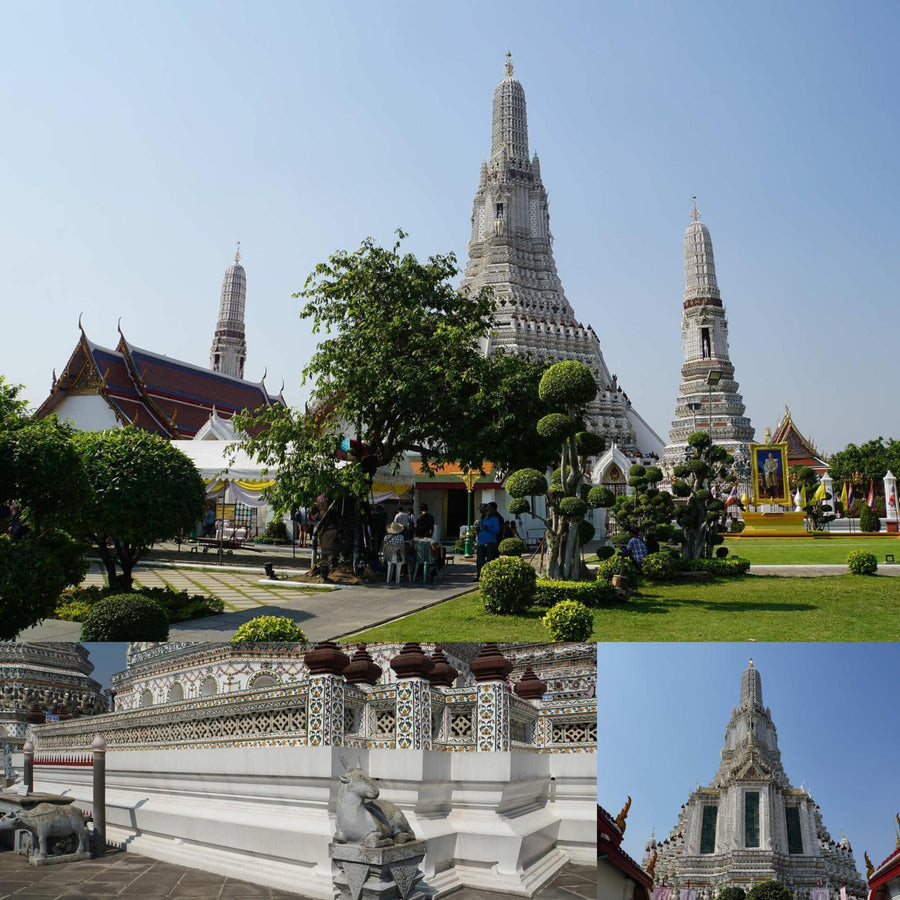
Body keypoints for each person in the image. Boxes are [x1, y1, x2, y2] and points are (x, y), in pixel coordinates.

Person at [475, 503, 501, 579]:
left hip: (490, 542)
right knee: (480, 561)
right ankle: (479, 576)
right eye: (481, 511)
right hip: (481, 542)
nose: (481, 512)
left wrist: (487, 528)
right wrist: (477, 529)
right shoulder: (481, 519)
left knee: (490, 560)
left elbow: (497, 530)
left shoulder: (494, 519)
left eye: (483, 511)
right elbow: (479, 529)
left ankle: (490, 576)